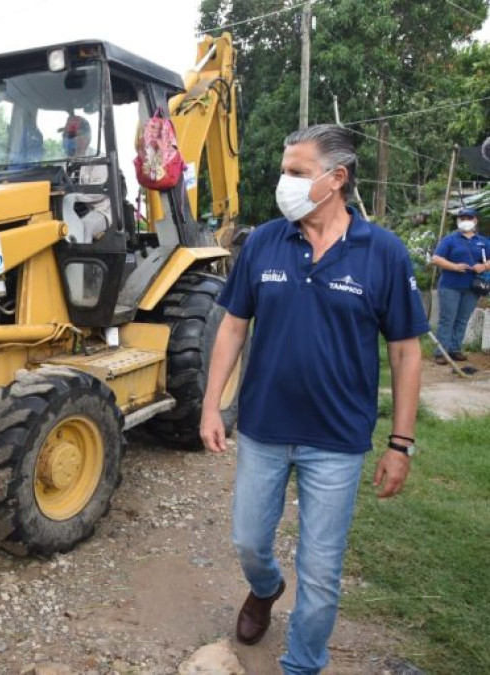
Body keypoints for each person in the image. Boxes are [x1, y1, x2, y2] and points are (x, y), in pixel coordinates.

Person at [200, 124, 427, 675]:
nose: (285, 183)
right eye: (286, 171)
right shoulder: (264, 243)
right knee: (249, 541)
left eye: (297, 173)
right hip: (264, 429)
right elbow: (232, 328)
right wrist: (211, 405)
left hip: (337, 441)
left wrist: (400, 443)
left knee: (322, 572)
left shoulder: (383, 253)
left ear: (337, 179)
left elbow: (405, 352)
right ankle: (266, 587)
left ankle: (302, 664)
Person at [430, 206, 489, 364]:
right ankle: (440, 352)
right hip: (450, 285)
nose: (465, 221)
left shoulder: (483, 241)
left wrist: (483, 266)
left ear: (475, 220)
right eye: (462, 218)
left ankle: (455, 349)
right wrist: (455, 267)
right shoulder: (450, 239)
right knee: (447, 319)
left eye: (468, 218)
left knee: (463, 319)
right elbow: (436, 258)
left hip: (473, 287)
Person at [62, 115, 110, 242]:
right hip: (69, 210)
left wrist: (74, 196)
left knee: (85, 226)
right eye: (65, 135)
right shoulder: (62, 162)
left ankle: (82, 261)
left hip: (98, 210)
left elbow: (99, 192)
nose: (65, 139)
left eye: (70, 136)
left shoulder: (99, 159)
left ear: (85, 138)